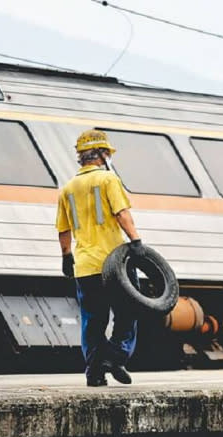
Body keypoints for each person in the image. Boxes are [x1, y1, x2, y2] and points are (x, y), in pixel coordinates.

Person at [55, 129, 146, 387]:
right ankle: (115, 356)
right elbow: (122, 213)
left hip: (85, 265)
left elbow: (63, 229)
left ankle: (94, 371)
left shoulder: (67, 189)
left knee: (93, 321)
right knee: (128, 311)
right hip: (114, 262)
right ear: (103, 155)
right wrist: (136, 241)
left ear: (81, 158)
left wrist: (66, 256)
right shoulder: (108, 179)